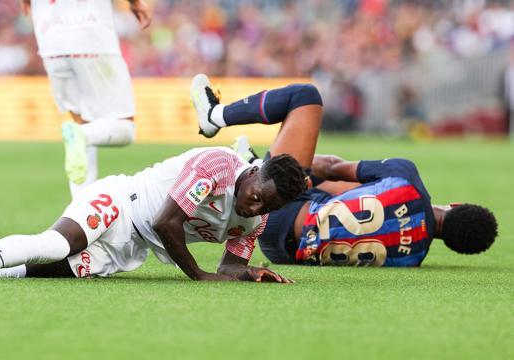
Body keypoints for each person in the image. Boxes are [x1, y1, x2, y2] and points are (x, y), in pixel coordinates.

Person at [0, 146, 307, 283]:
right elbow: (167, 223)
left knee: (31, 272)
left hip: (127, 250)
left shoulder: (256, 218)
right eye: (256, 195)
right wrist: (201, 276)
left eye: (267, 207)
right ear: (254, 172)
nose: (254, 207)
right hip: (119, 203)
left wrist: (244, 274)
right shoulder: (218, 165)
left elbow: (230, 264)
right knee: (54, 243)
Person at [189, 75, 498, 267]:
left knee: (305, 97)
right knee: (354, 200)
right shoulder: (412, 258)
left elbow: (333, 167)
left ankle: (215, 116)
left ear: (455, 205)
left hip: (281, 207)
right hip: (284, 252)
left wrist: (302, 169)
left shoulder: (407, 177)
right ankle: (259, 166)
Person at [0, 0, 152, 195]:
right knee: (123, 128)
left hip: (51, 40)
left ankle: (80, 219)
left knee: (78, 124)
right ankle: (81, 138)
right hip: (92, 35)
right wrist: (135, 0)